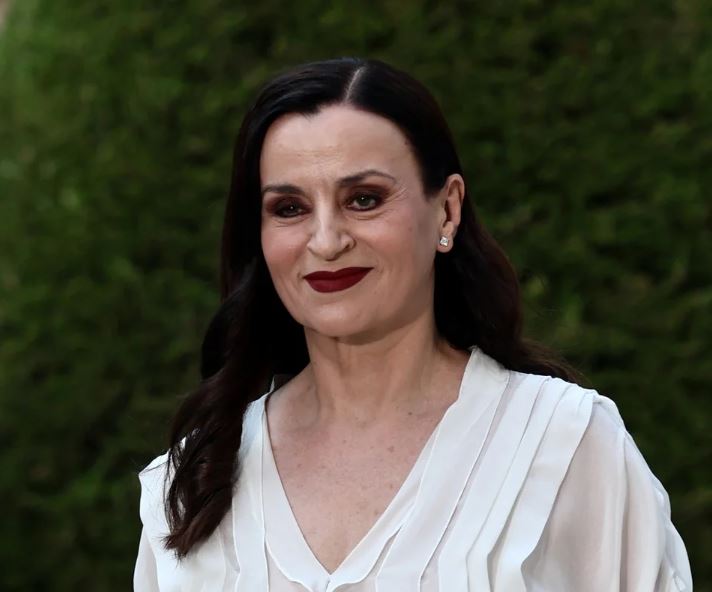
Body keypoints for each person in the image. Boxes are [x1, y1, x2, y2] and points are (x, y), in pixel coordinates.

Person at [133, 57, 692, 591]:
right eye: (290, 208)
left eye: (364, 199)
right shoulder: (189, 481)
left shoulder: (566, 444)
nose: (326, 241)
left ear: (447, 209)